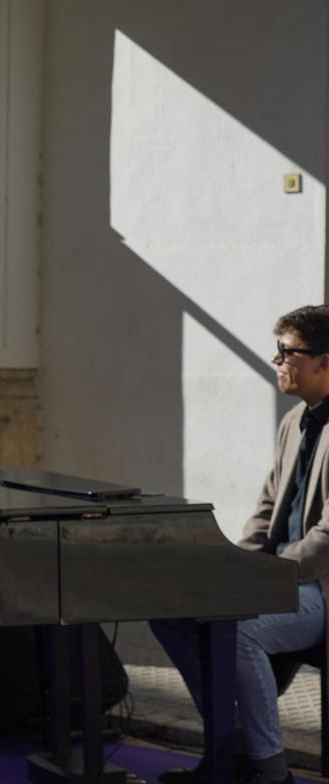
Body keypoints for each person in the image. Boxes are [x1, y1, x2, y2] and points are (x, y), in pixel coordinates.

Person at [152, 305, 329, 784]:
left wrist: (263, 578)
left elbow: (326, 541)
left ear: (324, 362)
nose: (276, 360)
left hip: (320, 587)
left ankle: (270, 772)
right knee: (170, 610)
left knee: (242, 631)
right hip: (279, 577)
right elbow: (266, 511)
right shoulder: (294, 422)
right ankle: (228, 745)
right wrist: (232, 567)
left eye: (286, 351)